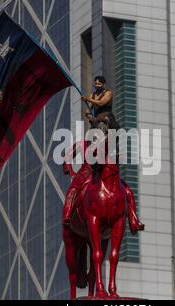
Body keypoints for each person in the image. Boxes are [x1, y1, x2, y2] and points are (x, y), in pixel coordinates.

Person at [61, 76, 144, 234]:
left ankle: (133, 219)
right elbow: (88, 112)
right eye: (96, 83)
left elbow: (101, 103)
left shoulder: (107, 94)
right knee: (72, 189)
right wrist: (89, 115)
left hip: (107, 120)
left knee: (127, 191)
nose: (97, 85)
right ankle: (67, 215)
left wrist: (89, 101)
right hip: (88, 169)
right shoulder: (87, 143)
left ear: (104, 84)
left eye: (99, 84)